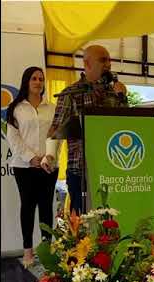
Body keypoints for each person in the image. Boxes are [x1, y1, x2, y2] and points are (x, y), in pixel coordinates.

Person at [46, 45, 128, 214]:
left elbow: (126, 125)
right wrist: (50, 156)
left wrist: (122, 97)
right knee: (82, 225)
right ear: (88, 64)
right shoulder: (71, 93)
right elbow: (56, 128)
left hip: (112, 169)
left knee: (109, 224)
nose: (108, 64)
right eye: (103, 60)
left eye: (109, 60)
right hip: (80, 170)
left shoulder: (115, 93)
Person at [6, 66, 59, 267]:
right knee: (28, 208)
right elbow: (14, 138)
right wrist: (31, 158)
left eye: (41, 79)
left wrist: (50, 157)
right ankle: (28, 252)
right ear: (26, 81)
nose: (38, 82)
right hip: (24, 167)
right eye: (34, 78)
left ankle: (46, 250)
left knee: (46, 207)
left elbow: (56, 135)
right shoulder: (16, 108)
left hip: (48, 167)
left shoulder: (52, 108)